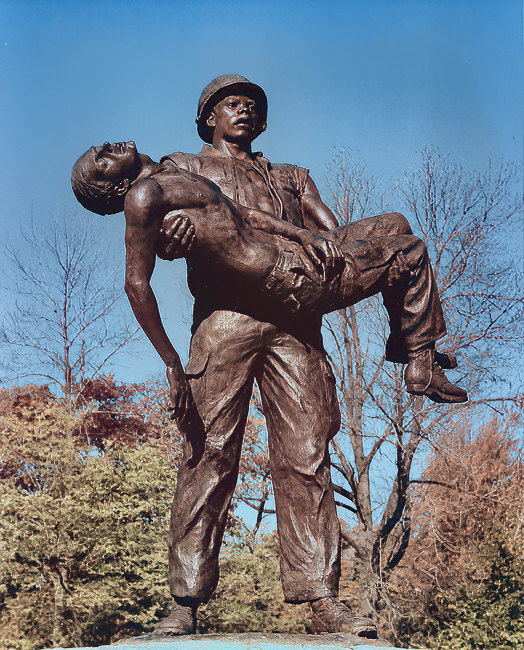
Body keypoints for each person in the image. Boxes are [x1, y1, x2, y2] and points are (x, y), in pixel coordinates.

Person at [71, 131, 467, 636]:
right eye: (229, 100)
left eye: (250, 99)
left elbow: (242, 216)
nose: (243, 107)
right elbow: (149, 257)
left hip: (293, 321)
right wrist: (169, 248)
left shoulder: (282, 174)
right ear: (207, 117)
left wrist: (304, 234)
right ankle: (185, 601)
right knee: (207, 453)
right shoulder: (176, 167)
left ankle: (321, 597)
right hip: (226, 318)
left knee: (306, 454)